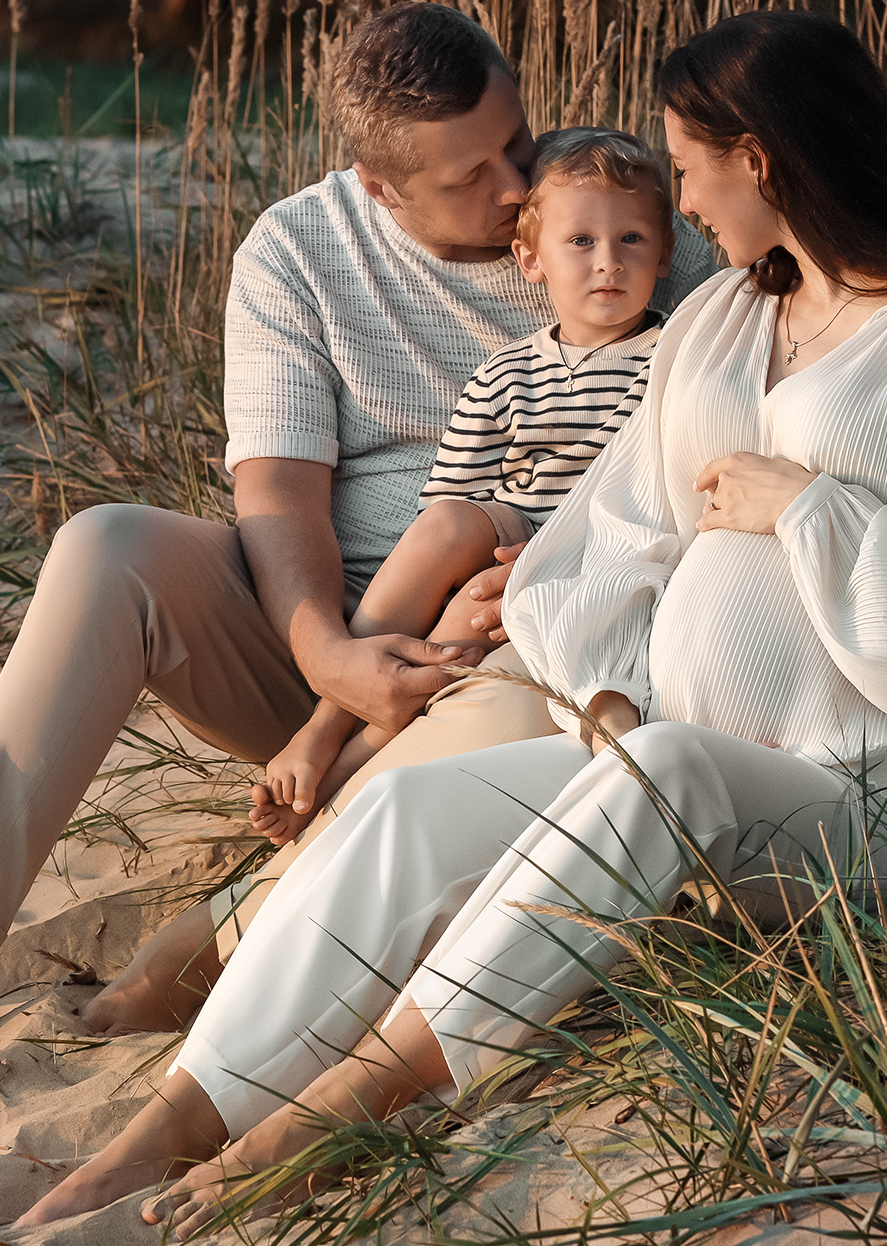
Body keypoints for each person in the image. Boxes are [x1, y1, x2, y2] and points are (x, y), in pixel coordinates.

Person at [15, 9, 887, 1231]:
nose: (681, 199)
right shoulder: (724, 320)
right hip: (658, 756)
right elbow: (607, 542)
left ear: (763, 162)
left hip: (875, 787)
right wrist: (609, 700)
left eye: (686, 167)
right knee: (411, 804)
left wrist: (813, 511)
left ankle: (362, 1089)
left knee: (667, 768)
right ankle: (184, 1113)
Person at [0, 3, 717, 1099]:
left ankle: (233, 935)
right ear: (382, 186)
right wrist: (328, 655)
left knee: (495, 693)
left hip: (512, 645)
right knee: (107, 544)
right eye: (470, 174)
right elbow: (278, 496)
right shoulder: (301, 251)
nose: (510, 187)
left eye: (515, 141)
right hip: (324, 638)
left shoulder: (601, 216)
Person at [253, 128, 678, 844]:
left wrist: (554, 558)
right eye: (580, 242)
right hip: (499, 554)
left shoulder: (671, 358)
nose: (608, 263)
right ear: (530, 259)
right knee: (454, 561)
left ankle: (334, 787)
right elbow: (448, 508)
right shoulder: (504, 374)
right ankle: (326, 722)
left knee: (457, 654)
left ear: (664, 256)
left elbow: (664, 484)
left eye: (632, 240)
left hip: (595, 560)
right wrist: (475, 582)